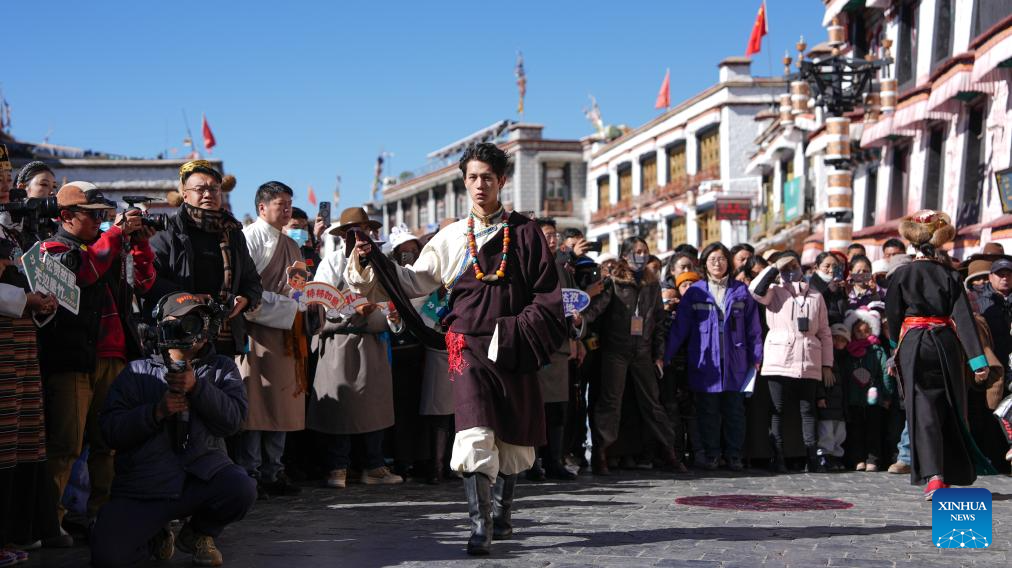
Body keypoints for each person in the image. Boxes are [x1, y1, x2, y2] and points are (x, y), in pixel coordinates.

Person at [345, 142, 566, 556]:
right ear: (464, 182)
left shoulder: (526, 232)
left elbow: (547, 295)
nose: (479, 185)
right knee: (474, 429)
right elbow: (413, 282)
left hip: (513, 344)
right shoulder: (450, 237)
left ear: (502, 180)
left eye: (487, 177)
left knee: (514, 436)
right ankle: (479, 526)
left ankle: (502, 514)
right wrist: (369, 258)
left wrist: (518, 330)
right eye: (472, 178)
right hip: (465, 346)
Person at [90, 292, 256, 568]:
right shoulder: (136, 372)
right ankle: (155, 534)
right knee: (109, 556)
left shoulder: (221, 368)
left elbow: (234, 422)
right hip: (145, 487)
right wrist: (155, 413)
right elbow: (110, 432)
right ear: (163, 324)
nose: (195, 327)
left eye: (200, 319)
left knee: (241, 487)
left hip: (201, 478)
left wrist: (197, 388)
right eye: (185, 320)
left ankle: (199, 533)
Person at [37, 182, 156, 532]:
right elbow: (82, 274)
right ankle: (49, 524)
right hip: (72, 358)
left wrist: (141, 243)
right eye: (92, 215)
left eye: (103, 215)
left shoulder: (109, 245)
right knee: (65, 445)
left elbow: (145, 284)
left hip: (113, 356)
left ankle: (102, 516)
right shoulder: (51, 248)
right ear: (65, 216)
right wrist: (117, 233)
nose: (100, 221)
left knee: (109, 443)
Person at [885, 210, 992, 500]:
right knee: (950, 407)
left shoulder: (900, 274)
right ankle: (950, 471)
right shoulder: (949, 275)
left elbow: (893, 319)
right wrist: (977, 360)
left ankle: (934, 477)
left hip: (913, 346)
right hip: (945, 344)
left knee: (923, 411)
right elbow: (964, 318)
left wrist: (895, 351)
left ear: (912, 244)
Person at [308, 208, 403, 488]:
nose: (361, 237)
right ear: (343, 236)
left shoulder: (382, 263)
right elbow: (321, 301)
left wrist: (392, 317)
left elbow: (392, 299)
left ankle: (374, 465)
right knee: (342, 407)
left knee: (375, 405)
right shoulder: (332, 262)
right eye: (354, 232)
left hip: (373, 341)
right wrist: (351, 309)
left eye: (365, 231)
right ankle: (338, 466)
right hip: (340, 342)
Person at [582, 236, 684, 475]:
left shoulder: (651, 284)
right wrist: (579, 319)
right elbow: (596, 310)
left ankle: (669, 451)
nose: (642, 255)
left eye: (645, 251)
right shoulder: (614, 282)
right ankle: (601, 453)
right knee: (610, 403)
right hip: (615, 351)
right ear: (625, 255)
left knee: (653, 403)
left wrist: (658, 354)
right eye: (637, 251)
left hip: (643, 352)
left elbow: (658, 322)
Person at [0, 157, 59, 562]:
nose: (5, 185)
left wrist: (42, 303)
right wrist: (24, 299)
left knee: (22, 436)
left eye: (6, 178)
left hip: (21, 342)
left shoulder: (13, 229)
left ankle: (17, 529)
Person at [236, 181, 308, 498]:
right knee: (256, 402)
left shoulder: (291, 244)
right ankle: (250, 472)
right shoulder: (250, 239)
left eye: (290, 203)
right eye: (281, 203)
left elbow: (299, 286)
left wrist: (303, 304)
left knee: (283, 402)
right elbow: (244, 290)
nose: (287, 209)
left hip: (288, 334)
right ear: (262, 207)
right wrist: (288, 307)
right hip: (259, 331)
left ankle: (274, 470)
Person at [147, 161, 262, 357]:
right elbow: (150, 281)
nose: (208, 194)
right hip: (181, 335)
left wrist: (246, 298)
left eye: (214, 189)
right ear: (185, 194)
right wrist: (188, 300)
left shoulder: (233, 233)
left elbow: (252, 281)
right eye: (200, 189)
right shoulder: (168, 231)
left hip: (224, 337)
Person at [665, 243, 762, 471]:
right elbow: (680, 328)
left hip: (735, 360)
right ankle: (712, 454)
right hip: (705, 360)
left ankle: (734, 455)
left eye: (721, 259)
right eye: (712, 259)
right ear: (704, 263)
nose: (717, 263)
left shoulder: (740, 291)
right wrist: (666, 354)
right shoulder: (695, 292)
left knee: (734, 411)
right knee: (707, 411)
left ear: (728, 262)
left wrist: (757, 356)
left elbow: (753, 328)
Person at [749, 251, 834, 473]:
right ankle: (778, 456)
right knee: (777, 410)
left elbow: (824, 332)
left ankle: (811, 457)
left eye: (793, 265)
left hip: (808, 359)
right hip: (779, 358)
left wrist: (827, 364)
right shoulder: (774, 292)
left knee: (807, 410)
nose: (790, 271)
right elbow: (754, 290)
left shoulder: (816, 296)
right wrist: (775, 267)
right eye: (786, 267)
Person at [531, 218, 579, 481]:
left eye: (554, 235)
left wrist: (576, 329)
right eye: (546, 235)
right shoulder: (525, 264)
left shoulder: (563, 268)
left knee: (558, 409)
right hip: (535, 345)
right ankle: (531, 463)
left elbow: (572, 301)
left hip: (559, 346)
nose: (552, 240)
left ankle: (554, 461)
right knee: (534, 407)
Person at [841, 309, 892, 472]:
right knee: (855, 429)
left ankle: (873, 459)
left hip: (873, 396)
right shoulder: (848, 352)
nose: (862, 335)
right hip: (854, 396)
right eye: (858, 332)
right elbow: (845, 374)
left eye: (865, 331)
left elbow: (885, 371)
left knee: (873, 429)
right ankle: (857, 459)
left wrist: (886, 393)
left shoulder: (877, 350)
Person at [816, 323, 850, 473]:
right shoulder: (826, 359)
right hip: (828, 403)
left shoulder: (846, 359)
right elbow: (819, 380)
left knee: (839, 433)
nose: (839, 344)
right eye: (836, 339)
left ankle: (836, 457)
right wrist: (821, 396)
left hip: (840, 406)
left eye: (843, 341)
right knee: (826, 432)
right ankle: (824, 456)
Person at [809, 252, 848, 325]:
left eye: (835, 266)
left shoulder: (838, 284)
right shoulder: (811, 286)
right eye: (827, 266)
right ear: (816, 267)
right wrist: (828, 290)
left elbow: (844, 309)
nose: (831, 270)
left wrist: (845, 292)